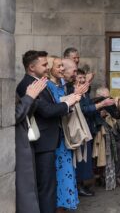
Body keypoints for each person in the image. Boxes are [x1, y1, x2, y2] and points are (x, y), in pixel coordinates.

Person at [16, 50, 80, 213]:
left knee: (48, 185)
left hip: (47, 141)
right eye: (44, 65)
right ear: (31, 67)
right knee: (46, 187)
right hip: (42, 143)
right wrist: (68, 103)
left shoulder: (38, 81)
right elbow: (46, 110)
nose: (47, 68)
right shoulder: (28, 84)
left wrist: (67, 104)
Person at [46, 56, 80, 212]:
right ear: (49, 68)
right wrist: (70, 100)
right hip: (55, 136)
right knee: (60, 174)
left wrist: (73, 99)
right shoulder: (47, 86)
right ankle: (59, 207)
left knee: (66, 172)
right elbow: (53, 108)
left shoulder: (60, 85)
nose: (62, 69)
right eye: (58, 66)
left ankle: (64, 207)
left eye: (62, 66)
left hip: (63, 134)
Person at [15, 77, 47, 213]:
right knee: (25, 190)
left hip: (23, 142)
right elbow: (12, 116)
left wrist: (33, 98)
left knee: (29, 187)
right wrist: (29, 97)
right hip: (16, 144)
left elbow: (25, 112)